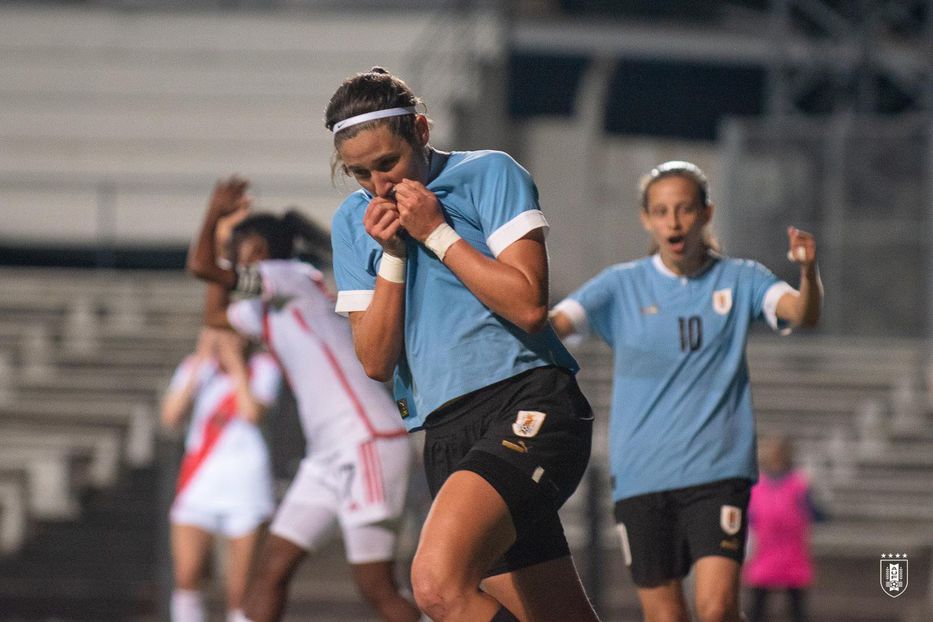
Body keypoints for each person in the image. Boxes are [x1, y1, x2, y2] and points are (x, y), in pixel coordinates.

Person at [326, 67, 599, 622]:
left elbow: (527, 304)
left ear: (422, 131)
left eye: (388, 164)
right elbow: (376, 361)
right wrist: (396, 255)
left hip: (530, 405)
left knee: (435, 587)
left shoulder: (488, 174)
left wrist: (436, 233)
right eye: (360, 174)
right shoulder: (354, 223)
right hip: (448, 435)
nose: (378, 186)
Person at [549, 160, 823, 622]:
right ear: (646, 219)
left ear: (706, 213)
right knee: (666, 616)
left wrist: (809, 272)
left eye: (684, 209)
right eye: (660, 211)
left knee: (716, 609)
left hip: (718, 472)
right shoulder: (621, 284)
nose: (673, 221)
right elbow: (554, 324)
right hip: (642, 476)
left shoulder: (741, 278)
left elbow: (801, 312)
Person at [187, 181, 419, 622]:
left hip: (366, 441)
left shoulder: (287, 277)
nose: (231, 258)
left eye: (236, 250)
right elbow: (214, 316)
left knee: (377, 587)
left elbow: (203, 270)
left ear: (254, 249)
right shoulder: (278, 299)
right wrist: (222, 243)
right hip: (330, 454)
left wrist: (216, 218)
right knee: (272, 570)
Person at [161, 324, 282, 622]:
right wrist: (202, 359)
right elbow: (170, 416)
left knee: (240, 590)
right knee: (187, 576)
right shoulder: (195, 367)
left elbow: (252, 413)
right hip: (199, 481)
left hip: (246, 486)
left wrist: (235, 365)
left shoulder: (263, 368)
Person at [744, 436, 823, 622]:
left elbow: (818, 514)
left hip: (784, 557)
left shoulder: (794, 485)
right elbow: (818, 515)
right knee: (765, 609)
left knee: (784, 609)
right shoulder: (794, 485)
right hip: (774, 557)